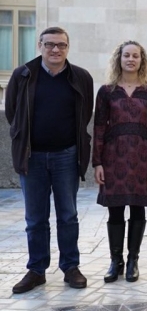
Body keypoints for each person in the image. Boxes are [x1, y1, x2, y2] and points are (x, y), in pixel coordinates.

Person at [5, 26, 94, 293]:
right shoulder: (23, 75)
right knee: (35, 218)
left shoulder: (80, 77)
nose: (55, 49)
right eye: (50, 44)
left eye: (61, 45)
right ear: (40, 46)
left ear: (68, 47)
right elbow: (12, 113)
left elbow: (85, 114)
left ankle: (70, 267)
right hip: (31, 157)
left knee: (68, 215)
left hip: (66, 156)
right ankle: (36, 270)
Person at [93, 41, 147, 283]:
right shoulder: (106, 91)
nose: (131, 59)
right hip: (113, 158)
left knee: (138, 208)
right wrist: (97, 163)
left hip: (142, 158)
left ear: (142, 60)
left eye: (136, 56)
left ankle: (133, 260)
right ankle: (115, 261)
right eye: (126, 55)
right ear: (118, 59)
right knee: (115, 210)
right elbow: (99, 127)